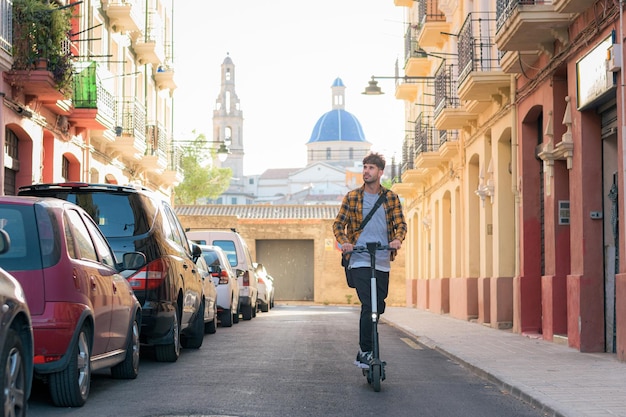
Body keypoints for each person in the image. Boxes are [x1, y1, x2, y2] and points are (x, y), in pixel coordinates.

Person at [333, 152, 407, 369]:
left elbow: (401, 224)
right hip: (359, 259)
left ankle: (367, 351)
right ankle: (365, 351)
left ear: (380, 172)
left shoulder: (391, 198)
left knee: (379, 307)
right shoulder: (352, 197)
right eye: (364, 167)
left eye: (371, 168)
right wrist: (346, 243)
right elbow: (338, 224)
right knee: (369, 305)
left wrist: (396, 239)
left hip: (382, 258)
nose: (366, 171)